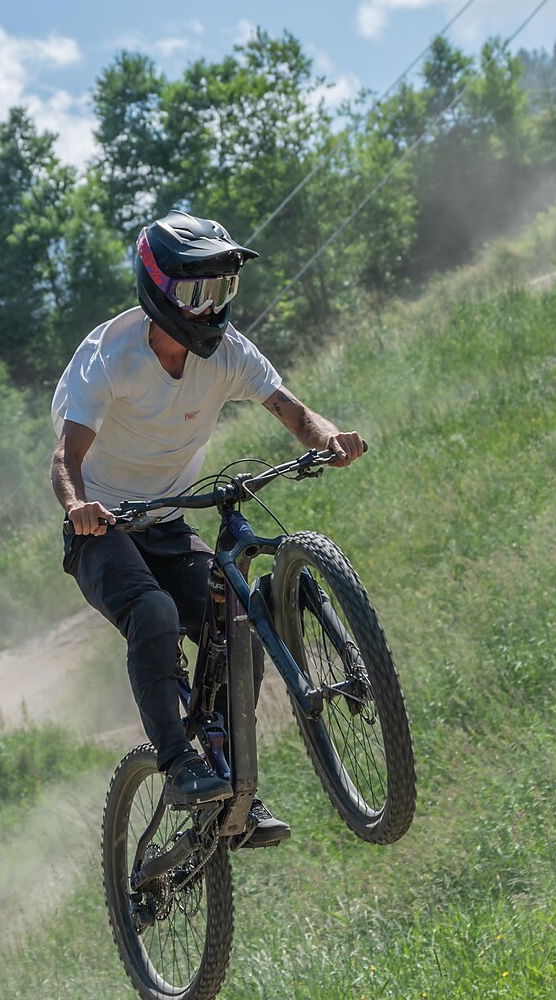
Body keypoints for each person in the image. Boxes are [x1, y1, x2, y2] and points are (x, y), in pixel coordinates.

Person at [51, 210, 366, 842]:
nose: (211, 308)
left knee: (238, 627)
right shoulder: (110, 357)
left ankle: (230, 786)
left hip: (168, 519)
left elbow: (295, 413)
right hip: (103, 527)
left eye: (223, 290)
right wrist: (79, 507)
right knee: (155, 612)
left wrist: (329, 437)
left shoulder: (228, 354)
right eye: (197, 292)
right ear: (156, 290)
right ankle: (177, 764)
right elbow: (66, 457)